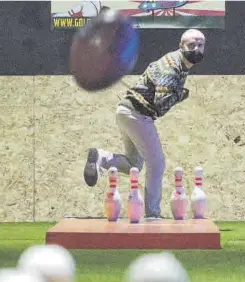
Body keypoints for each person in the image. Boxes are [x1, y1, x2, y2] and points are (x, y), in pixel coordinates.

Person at [83, 29, 205, 220]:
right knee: (157, 163)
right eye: (192, 45)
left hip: (126, 112)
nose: (196, 49)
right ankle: (153, 214)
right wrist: (181, 94)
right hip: (137, 114)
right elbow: (161, 103)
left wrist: (178, 93)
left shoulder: (178, 65)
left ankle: (101, 157)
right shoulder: (172, 65)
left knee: (134, 163)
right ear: (181, 46)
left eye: (200, 45)